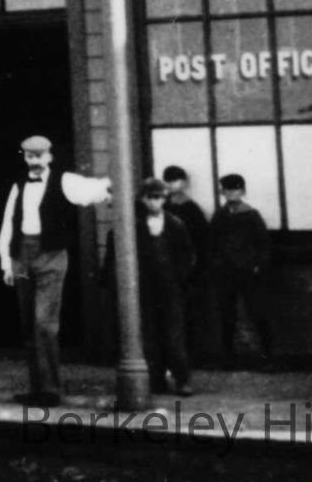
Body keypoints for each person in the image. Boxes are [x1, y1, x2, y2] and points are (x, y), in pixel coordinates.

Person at [0, 133, 112, 406]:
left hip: (51, 256)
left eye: (39, 156)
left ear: (49, 156)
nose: (34, 161)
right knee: (29, 324)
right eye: (30, 156)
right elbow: (8, 223)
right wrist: (6, 263)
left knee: (44, 323)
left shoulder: (64, 180)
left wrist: (108, 188)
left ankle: (50, 389)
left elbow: (91, 190)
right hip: (22, 257)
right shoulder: (18, 185)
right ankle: (36, 388)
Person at [110, 177, 196, 396]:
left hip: (171, 288)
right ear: (143, 199)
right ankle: (156, 379)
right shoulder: (135, 226)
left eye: (158, 197)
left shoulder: (175, 224)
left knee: (174, 336)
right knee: (150, 334)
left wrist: (179, 279)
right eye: (150, 197)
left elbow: (187, 256)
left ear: (164, 199)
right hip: (146, 288)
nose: (154, 202)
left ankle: (182, 379)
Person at [209, 173, 274, 367]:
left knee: (257, 312)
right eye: (227, 190)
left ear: (243, 191)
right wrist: (217, 263)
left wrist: (258, 265)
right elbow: (212, 243)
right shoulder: (219, 216)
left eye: (235, 189)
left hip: (248, 272)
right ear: (222, 192)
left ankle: (267, 357)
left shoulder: (251, 215)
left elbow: (264, 244)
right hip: (225, 272)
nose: (231, 194)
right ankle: (228, 357)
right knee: (226, 314)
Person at [160, 165, 213, 357]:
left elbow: (202, 240)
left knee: (187, 311)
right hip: (164, 266)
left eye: (177, 180)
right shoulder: (161, 206)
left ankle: (189, 353)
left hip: (187, 269)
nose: (173, 185)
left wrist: (194, 266)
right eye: (169, 181)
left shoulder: (191, 209)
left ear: (184, 183)